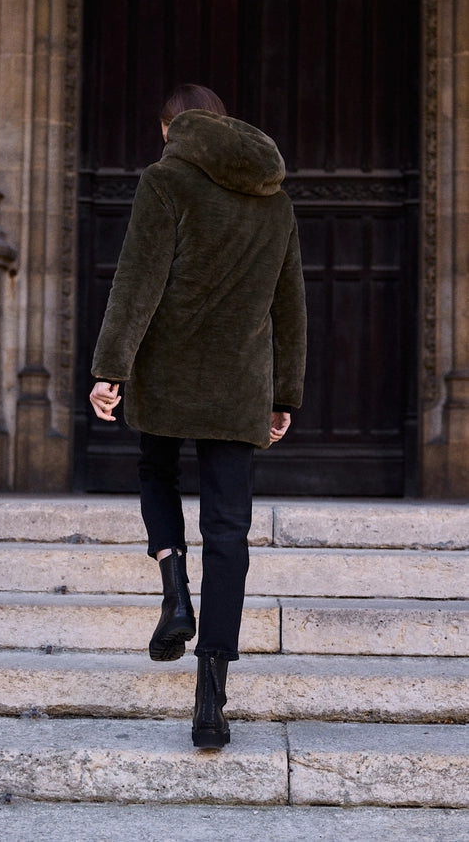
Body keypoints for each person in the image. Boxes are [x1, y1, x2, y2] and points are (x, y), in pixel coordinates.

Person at [90, 84, 306, 749]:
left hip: (168, 370)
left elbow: (138, 280)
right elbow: (290, 305)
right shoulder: (274, 197)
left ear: (170, 128)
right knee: (230, 531)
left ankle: (175, 590)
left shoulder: (165, 181)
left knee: (155, 470)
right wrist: (284, 393)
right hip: (239, 383)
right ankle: (211, 702)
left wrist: (111, 368)